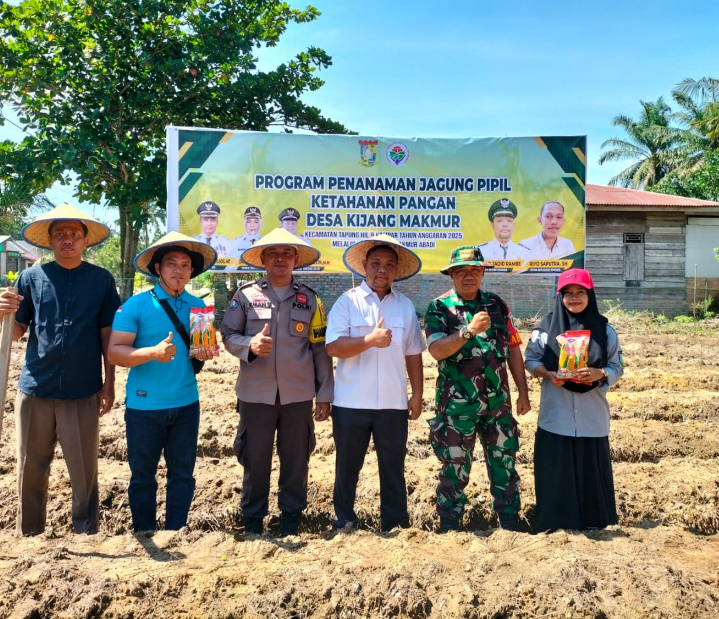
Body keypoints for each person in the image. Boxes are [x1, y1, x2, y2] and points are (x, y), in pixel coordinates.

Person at [0, 204, 120, 536]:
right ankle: (30, 533)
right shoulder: (31, 278)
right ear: (49, 241)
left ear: (85, 241)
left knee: (84, 470)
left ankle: (87, 531)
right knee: (30, 467)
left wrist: (109, 383)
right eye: (60, 234)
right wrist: (3, 312)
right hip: (36, 387)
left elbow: (107, 334)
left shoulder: (101, 281)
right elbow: (18, 329)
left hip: (82, 389)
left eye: (74, 234)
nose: (68, 239)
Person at [219, 228, 333, 536]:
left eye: (287, 253)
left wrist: (325, 394)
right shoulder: (244, 295)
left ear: (296, 259)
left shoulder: (310, 299)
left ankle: (291, 521)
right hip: (256, 395)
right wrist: (249, 346)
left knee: (296, 460)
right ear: (263, 259)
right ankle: (253, 521)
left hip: (297, 396)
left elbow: (319, 349)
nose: (280, 258)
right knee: (255, 460)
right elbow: (228, 335)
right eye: (273, 253)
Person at [108, 232, 220, 532]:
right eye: (171, 264)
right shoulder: (136, 305)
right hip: (145, 405)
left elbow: (201, 351)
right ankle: (144, 530)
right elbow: (115, 351)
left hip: (186, 404)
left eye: (185, 265)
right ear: (158, 268)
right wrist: (152, 353)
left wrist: (205, 350)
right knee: (143, 475)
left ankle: (176, 532)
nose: (179, 270)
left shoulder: (199, 305)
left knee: (182, 474)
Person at [424, 245, 531, 532]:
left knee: (505, 468)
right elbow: (435, 350)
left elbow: (514, 350)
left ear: (483, 272)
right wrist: (467, 330)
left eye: (474, 270)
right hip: (458, 409)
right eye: (461, 271)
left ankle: (510, 524)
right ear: (451, 275)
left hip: (498, 406)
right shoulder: (439, 307)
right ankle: (449, 526)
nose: (468, 276)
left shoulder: (497, 305)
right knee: (454, 470)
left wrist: (523, 391)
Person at [325, 234, 426, 531]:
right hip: (351, 402)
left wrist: (417, 394)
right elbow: (333, 347)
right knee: (347, 468)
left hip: (393, 404)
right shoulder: (347, 302)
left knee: (393, 469)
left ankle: (395, 524)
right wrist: (369, 340)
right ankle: (343, 520)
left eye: (389, 265)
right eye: (376, 263)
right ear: (364, 266)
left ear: (396, 270)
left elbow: (413, 353)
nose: (382, 270)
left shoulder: (405, 306)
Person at [524, 267, 624, 532]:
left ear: (590, 294)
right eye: (568, 293)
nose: (574, 298)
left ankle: (595, 526)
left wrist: (599, 373)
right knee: (556, 475)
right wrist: (547, 373)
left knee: (591, 476)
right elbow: (530, 359)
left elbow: (617, 367)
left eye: (581, 292)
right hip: (555, 418)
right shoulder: (544, 329)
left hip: (592, 419)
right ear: (559, 297)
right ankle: (555, 527)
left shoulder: (605, 331)